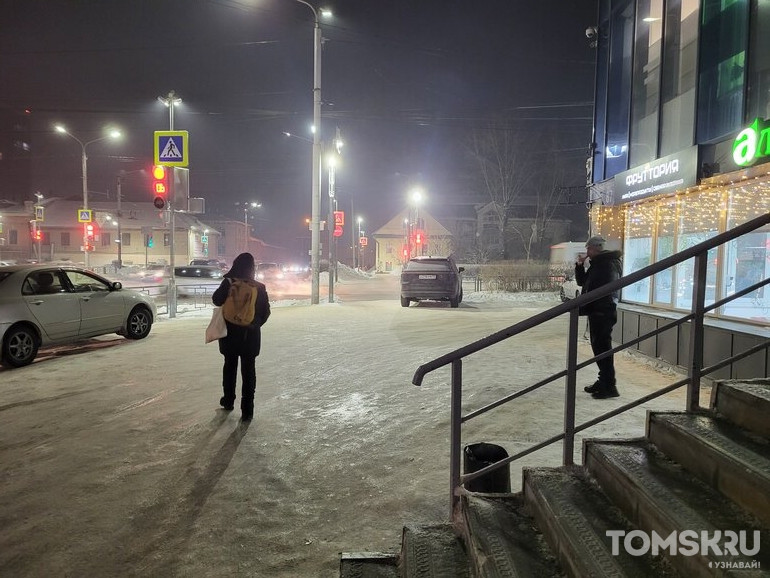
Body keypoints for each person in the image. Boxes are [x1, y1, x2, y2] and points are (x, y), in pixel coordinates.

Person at [212, 253, 271, 420]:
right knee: (248, 370)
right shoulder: (259, 287)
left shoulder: (229, 282)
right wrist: (253, 324)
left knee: (229, 367)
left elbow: (216, 300)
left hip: (229, 335)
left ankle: (228, 400)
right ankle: (247, 409)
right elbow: (265, 312)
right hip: (249, 336)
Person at [575, 235, 623, 399]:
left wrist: (590, 305)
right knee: (600, 348)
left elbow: (600, 290)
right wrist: (580, 265)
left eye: (589, 248)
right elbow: (583, 282)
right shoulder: (600, 263)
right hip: (599, 311)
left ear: (595, 248)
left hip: (602, 311)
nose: (587, 251)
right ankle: (604, 381)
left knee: (603, 349)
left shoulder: (606, 264)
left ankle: (609, 386)